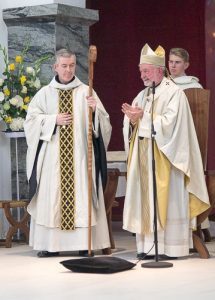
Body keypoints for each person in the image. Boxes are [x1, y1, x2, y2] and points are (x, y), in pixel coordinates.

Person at [122, 43, 210, 259]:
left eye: (146, 71)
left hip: (167, 160)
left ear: (159, 71)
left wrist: (142, 118)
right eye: (140, 70)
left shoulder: (174, 94)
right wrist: (132, 121)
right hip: (144, 158)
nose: (142, 75)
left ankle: (171, 248)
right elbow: (133, 125)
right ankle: (146, 246)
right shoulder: (141, 95)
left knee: (167, 200)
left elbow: (172, 126)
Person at [24, 49, 112, 257]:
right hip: (53, 159)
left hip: (80, 158)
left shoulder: (86, 91)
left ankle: (83, 244)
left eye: (71, 65)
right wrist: (53, 120)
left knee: (82, 196)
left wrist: (94, 112)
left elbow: (103, 125)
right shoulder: (45, 93)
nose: (68, 69)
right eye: (63, 66)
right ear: (55, 67)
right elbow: (31, 122)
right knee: (51, 198)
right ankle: (51, 245)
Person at [169, 47, 210, 240]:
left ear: (186, 65)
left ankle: (194, 224)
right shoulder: (164, 86)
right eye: (170, 62)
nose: (173, 66)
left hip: (188, 144)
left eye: (177, 62)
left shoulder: (193, 88)